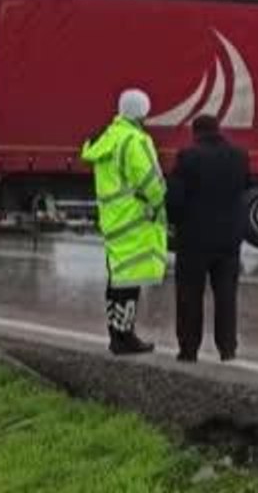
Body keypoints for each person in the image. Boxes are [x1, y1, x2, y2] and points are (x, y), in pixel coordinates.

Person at [80, 89, 168, 355]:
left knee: (117, 280)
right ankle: (124, 338)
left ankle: (116, 334)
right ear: (142, 111)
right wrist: (160, 205)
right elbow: (151, 181)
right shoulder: (135, 140)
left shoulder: (108, 137)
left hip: (113, 219)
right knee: (130, 282)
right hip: (134, 219)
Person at [165, 114, 250, 362]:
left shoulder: (188, 157)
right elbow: (245, 186)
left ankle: (189, 349)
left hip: (194, 238)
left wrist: (174, 223)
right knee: (226, 295)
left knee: (190, 295)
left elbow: (175, 198)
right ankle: (228, 348)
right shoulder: (239, 155)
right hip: (229, 238)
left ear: (196, 132)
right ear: (218, 129)